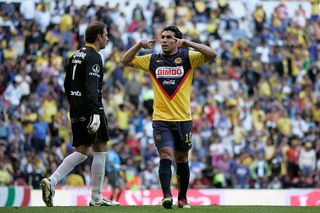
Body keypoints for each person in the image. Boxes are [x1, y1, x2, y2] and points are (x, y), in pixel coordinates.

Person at [121, 26, 216, 209]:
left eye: (168, 37)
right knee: (165, 155)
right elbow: (125, 61)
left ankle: (183, 198)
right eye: (162, 37)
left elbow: (212, 54)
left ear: (177, 41)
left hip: (183, 120)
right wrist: (138, 46)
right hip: (161, 120)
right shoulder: (153, 60)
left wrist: (188, 43)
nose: (163, 40)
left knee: (182, 159)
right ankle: (166, 196)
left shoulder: (188, 57)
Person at [40, 21, 119, 207]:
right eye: (106, 35)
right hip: (92, 109)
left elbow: (67, 85)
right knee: (101, 150)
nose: (107, 38)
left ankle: (52, 181)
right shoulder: (94, 57)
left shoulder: (75, 55)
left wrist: (75, 104)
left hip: (76, 108)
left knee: (82, 151)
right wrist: (95, 112)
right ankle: (97, 198)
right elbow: (92, 88)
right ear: (99, 37)